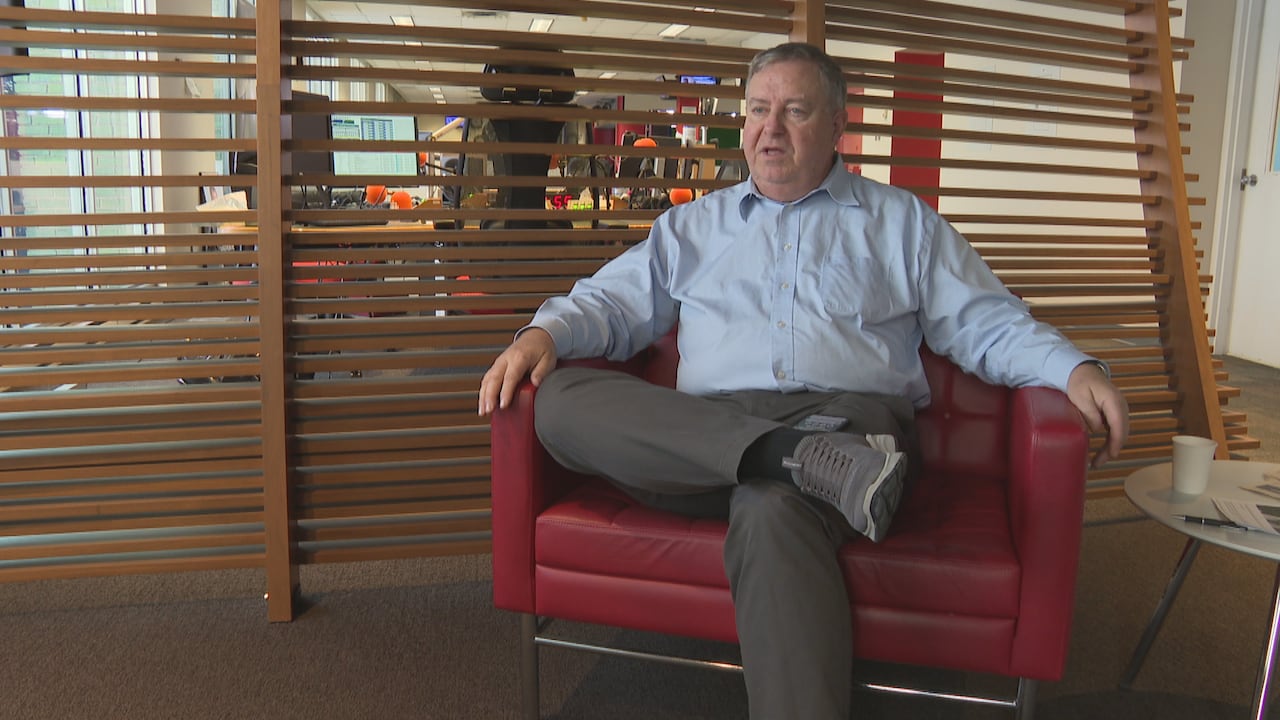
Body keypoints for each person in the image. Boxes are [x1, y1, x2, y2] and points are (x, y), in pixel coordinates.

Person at [479, 41, 1129, 720]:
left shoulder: (901, 224)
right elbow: (609, 303)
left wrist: (1072, 367)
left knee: (770, 509)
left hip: (847, 423)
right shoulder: (692, 228)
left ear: (838, 125)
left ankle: (805, 462)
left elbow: (986, 322)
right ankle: (792, 461)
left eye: (795, 110)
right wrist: (543, 332)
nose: (771, 129)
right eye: (759, 110)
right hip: (704, 444)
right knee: (559, 400)